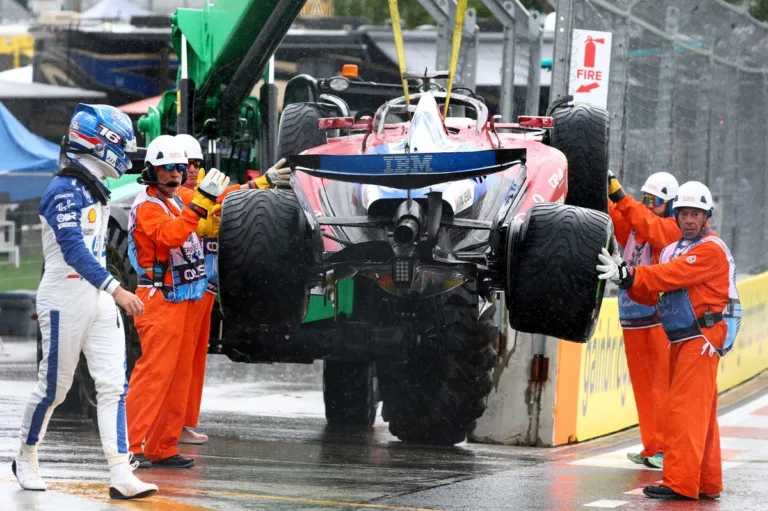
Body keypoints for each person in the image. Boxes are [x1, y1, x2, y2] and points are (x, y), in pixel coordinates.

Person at [12, 104, 157, 500]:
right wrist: (117, 290)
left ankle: (120, 472)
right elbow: (74, 249)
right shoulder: (62, 189)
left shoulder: (95, 186)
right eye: (121, 144)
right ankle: (25, 455)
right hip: (65, 298)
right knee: (54, 389)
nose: (127, 153)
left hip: (98, 298)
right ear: (100, 143)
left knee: (113, 386)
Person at [597, 181, 742, 501]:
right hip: (683, 336)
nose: (689, 220)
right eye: (684, 214)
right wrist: (629, 281)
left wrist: (631, 274)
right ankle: (706, 481)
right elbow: (654, 291)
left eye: (696, 214)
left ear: (707, 218)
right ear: (676, 215)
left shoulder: (709, 249)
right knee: (700, 413)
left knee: (684, 411)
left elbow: (672, 275)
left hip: (701, 337)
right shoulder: (677, 248)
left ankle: (680, 482)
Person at [173, 134, 293, 445]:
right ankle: (167, 426)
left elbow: (233, 197)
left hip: (207, 293)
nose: (189, 169)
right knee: (177, 362)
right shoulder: (172, 198)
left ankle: (184, 423)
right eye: (184, 163)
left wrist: (263, 183)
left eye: (195, 163)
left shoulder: (211, 190)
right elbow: (198, 216)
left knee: (194, 363)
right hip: (180, 293)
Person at [125, 135, 230, 469]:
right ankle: (130, 443)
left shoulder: (176, 200)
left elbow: (219, 199)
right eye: (167, 169)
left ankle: (163, 446)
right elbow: (170, 236)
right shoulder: (147, 206)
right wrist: (199, 206)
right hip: (159, 297)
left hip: (184, 296)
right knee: (155, 373)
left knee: (178, 375)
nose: (174, 174)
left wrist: (260, 184)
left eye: (178, 168)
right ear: (152, 171)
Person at [607, 170, 680, 469]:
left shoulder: (672, 229)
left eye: (657, 201)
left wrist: (620, 195)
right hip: (633, 316)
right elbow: (617, 216)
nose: (650, 205)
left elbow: (646, 224)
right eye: (647, 198)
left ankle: (665, 449)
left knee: (661, 386)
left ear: (671, 205)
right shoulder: (639, 224)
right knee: (642, 386)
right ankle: (652, 447)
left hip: (659, 318)